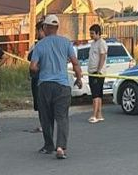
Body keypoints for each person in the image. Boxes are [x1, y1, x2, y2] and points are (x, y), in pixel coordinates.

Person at [29, 15, 83, 160]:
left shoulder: (39, 45)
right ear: (57, 28)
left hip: (45, 86)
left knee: (46, 118)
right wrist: (78, 79)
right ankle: (61, 147)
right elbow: (75, 63)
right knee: (62, 117)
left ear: (45, 28)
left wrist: (40, 69)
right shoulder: (66, 43)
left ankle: (48, 146)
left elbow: (33, 67)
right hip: (62, 86)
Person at [27, 21, 46, 132]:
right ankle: (43, 124)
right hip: (36, 77)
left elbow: (31, 56)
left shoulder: (43, 44)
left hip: (41, 77)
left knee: (42, 103)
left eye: (37, 31)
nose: (36, 33)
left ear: (41, 30)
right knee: (39, 104)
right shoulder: (38, 44)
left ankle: (45, 125)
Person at [87, 24, 107, 123]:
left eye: (92, 33)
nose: (91, 35)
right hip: (91, 72)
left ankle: (94, 115)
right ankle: (99, 114)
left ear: (98, 33)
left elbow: (103, 57)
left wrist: (98, 71)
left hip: (97, 73)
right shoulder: (93, 43)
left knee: (96, 94)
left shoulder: (101, 43)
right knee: (97, 94)